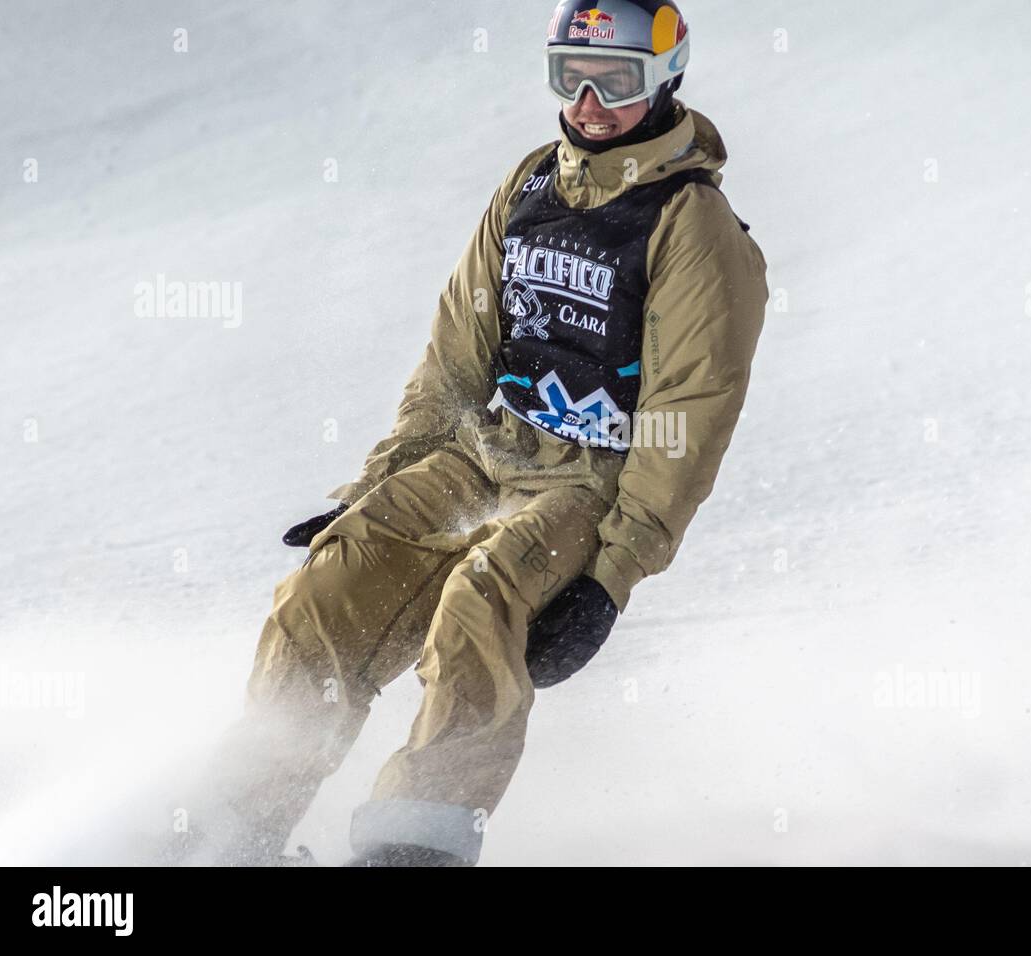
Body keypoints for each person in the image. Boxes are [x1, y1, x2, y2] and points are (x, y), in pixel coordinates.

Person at [171, 0, 768, 867]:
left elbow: (691, 412)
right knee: (331, 584)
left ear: (668, 77)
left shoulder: (692, 226)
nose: (590, 103)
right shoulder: (531, 182)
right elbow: (457, 351)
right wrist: (379, 486)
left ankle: (417, 842)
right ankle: (235, 821)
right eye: (572, 76)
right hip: (486, 454)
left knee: (476, 606)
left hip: (590, 486)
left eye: (618, 80)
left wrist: (612, 576)